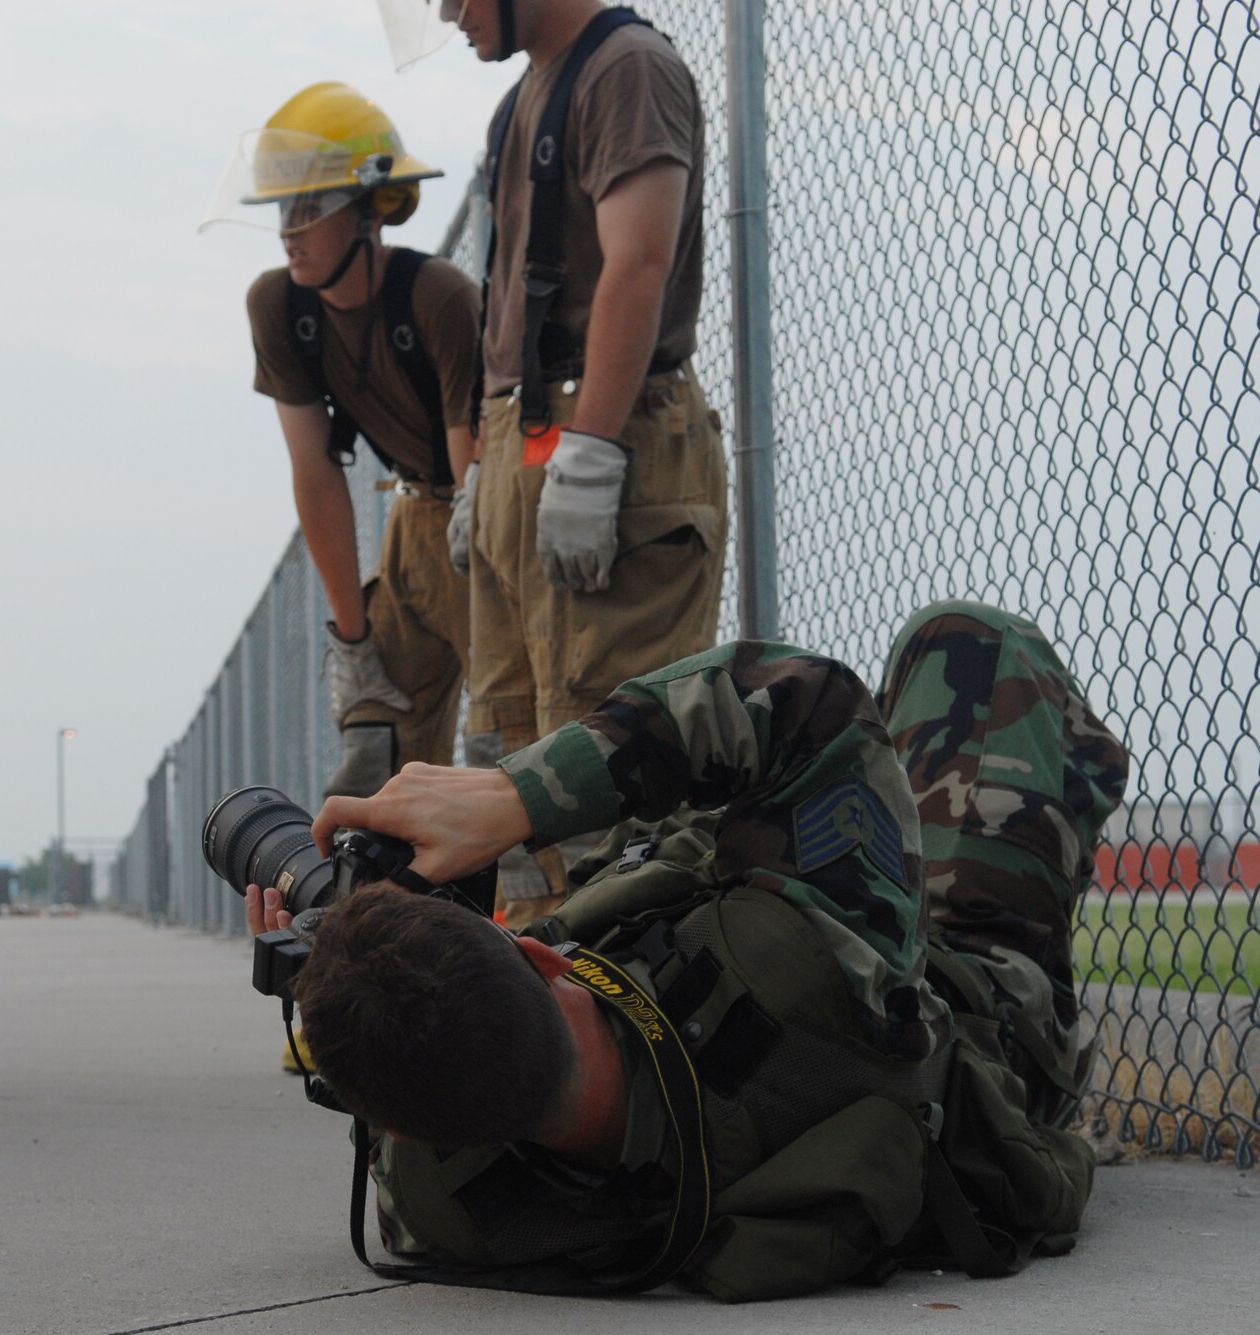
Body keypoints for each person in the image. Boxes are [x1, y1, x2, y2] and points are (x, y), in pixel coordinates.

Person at [246, 601, 1128, 1299]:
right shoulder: (802, 960)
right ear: (544, 960)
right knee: (963, 641)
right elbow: (809, 702)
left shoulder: (442, 1206)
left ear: (391, 1121)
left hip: (798, 1095)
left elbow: (413, 1066)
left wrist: (331, 973)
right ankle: (1058, 789)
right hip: (971, 1011)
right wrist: (515, 797)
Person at [378, 0, 729, 928]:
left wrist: (593, 451)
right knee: (509, 742)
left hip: (603, 437)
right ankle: (532, 981)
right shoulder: (523, 99)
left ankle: (622, 996)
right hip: (524, 442)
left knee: (605, 736)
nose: (447, 12)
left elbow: (638, 265)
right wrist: (488, 475)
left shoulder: (626, 71)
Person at [203, 82, 480, 803]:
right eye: (281, 210)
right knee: (377, 745)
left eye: (310, 208)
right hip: (415, 517)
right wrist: (353, 643)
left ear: (367, 211)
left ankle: (531, 912)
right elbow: (315, 474)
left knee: (509, 731)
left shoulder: (438, 298)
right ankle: (401, 912)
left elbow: (473, 470)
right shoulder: (280, 308)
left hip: (479, 518)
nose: (289, 230)